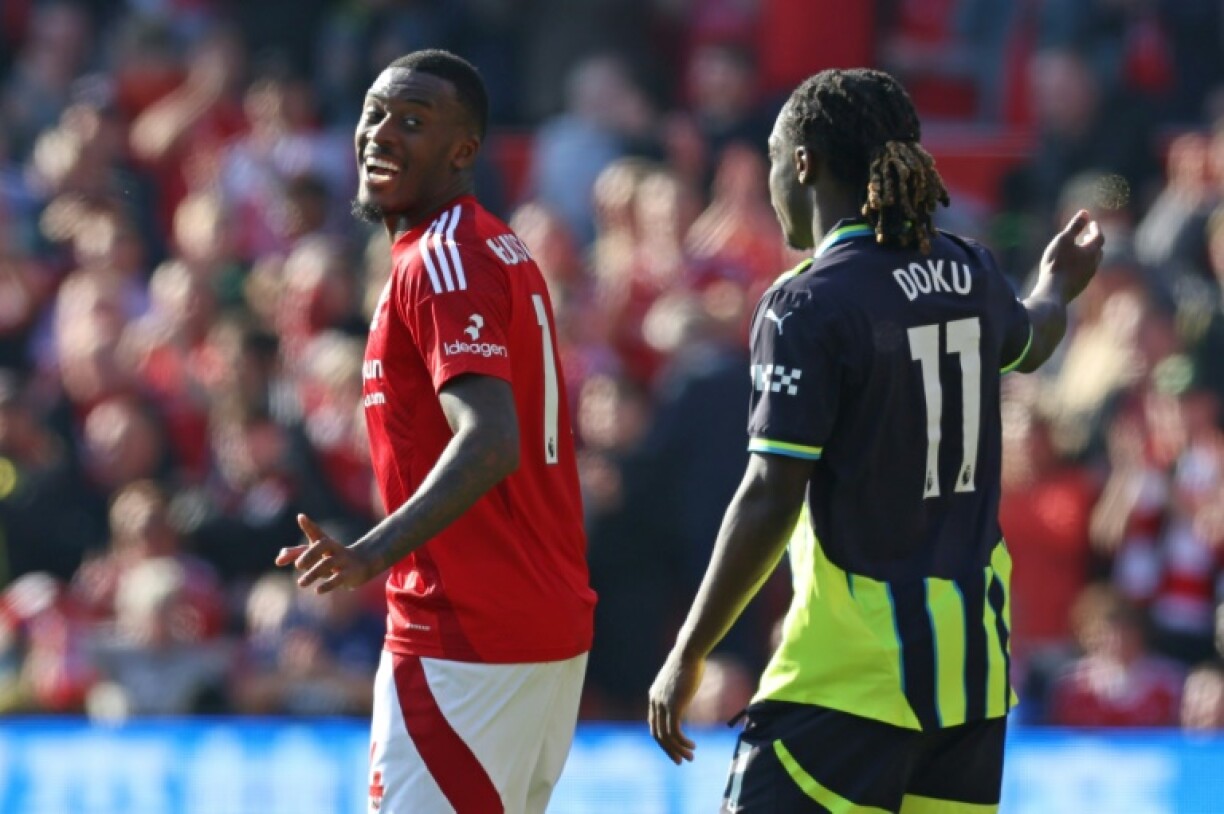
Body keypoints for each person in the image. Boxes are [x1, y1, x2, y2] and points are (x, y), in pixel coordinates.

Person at [647, 68, 1103, 813]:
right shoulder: (968, 268)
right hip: (970, 683)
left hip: (848, 678)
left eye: (770, 157)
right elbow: (1035, 334)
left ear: (803, 163)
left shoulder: (806, 302)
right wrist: (1055, 282)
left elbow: (770, 492)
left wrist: (688, 652)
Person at [275, 50, 596, 814]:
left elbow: (490, 438)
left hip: (467, 637)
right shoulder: (481, 246)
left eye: (412, 122)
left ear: (464, 152)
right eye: (375, 113)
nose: (381, 135)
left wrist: (369, 555)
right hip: (532, 626)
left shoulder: (443, 260)